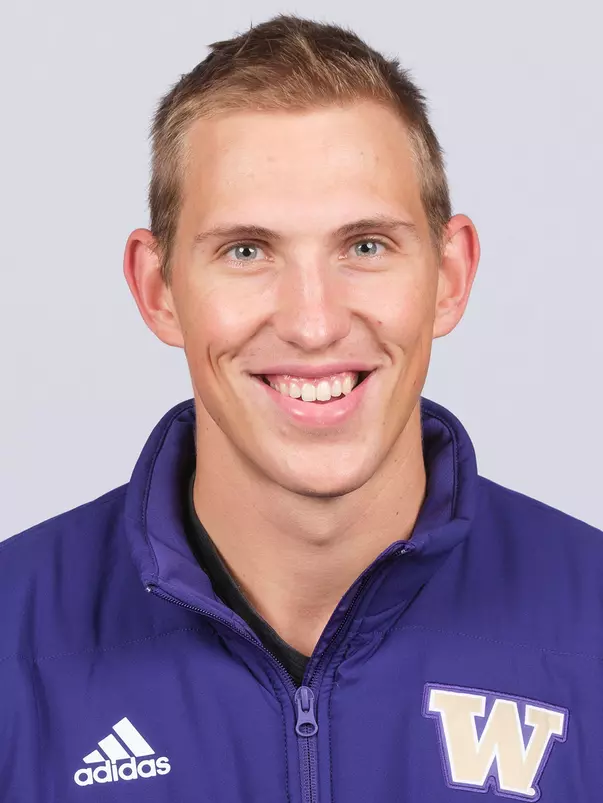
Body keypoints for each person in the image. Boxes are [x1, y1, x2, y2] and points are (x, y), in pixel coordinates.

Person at [1, 13, 601, 803]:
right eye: (246, 251)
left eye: (365, 246)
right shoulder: (13, 638)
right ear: (158, 290)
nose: (313, 323)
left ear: (449, 274)